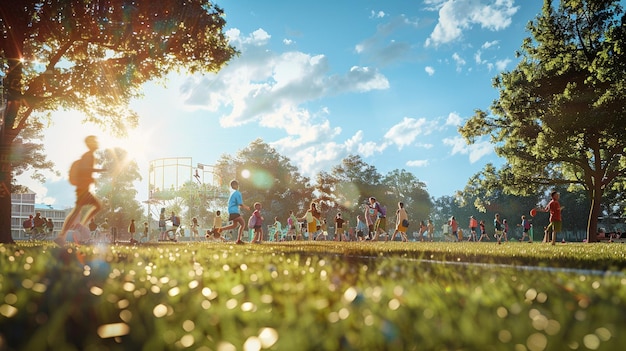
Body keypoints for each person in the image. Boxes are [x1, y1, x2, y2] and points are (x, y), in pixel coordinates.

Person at [55, 135, 105, 246]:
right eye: (94, 141)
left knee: (84, 209)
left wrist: (91, 177)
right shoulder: (88, 156)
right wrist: (99, 170)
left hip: (83, 188)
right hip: (83, 189)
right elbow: (84, 169)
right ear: (90, 144)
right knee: (89, 208)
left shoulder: (89, 155)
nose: (97, 143)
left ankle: (64, 234)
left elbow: (85, 170)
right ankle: (69, 231)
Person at [215, 180, 250, 244]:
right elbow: (240, 203)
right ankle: (238, 240)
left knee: (234, 225)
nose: (238, 186)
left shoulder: (232, 193)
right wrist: (246, 207)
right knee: (243, 224)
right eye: (237, 185)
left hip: (231, 210)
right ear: (234, 185)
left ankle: (220, 229)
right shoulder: (237, 193)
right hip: (234, 211)